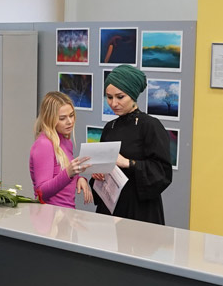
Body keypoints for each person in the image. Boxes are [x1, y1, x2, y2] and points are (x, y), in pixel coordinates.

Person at [91, 64, 172, 224]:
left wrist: (128, 163)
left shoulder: (150, 126)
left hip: (140, 211)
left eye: (120, 97)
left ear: (133, 95)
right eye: (109, 97)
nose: (113, 103)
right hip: (110, 208)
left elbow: (162, 173)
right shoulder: (110, 127)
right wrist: (98, 174)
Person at [29, 91, 92, 208]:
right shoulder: (44, 144)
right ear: (49, 119)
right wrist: (68, 173)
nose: (70, 122)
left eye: (71, 115)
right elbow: (41, 192)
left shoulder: (65, 141)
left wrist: (79, 178)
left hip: (65, 213)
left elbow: (61, 174)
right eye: (62, 118)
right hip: (49, 214)